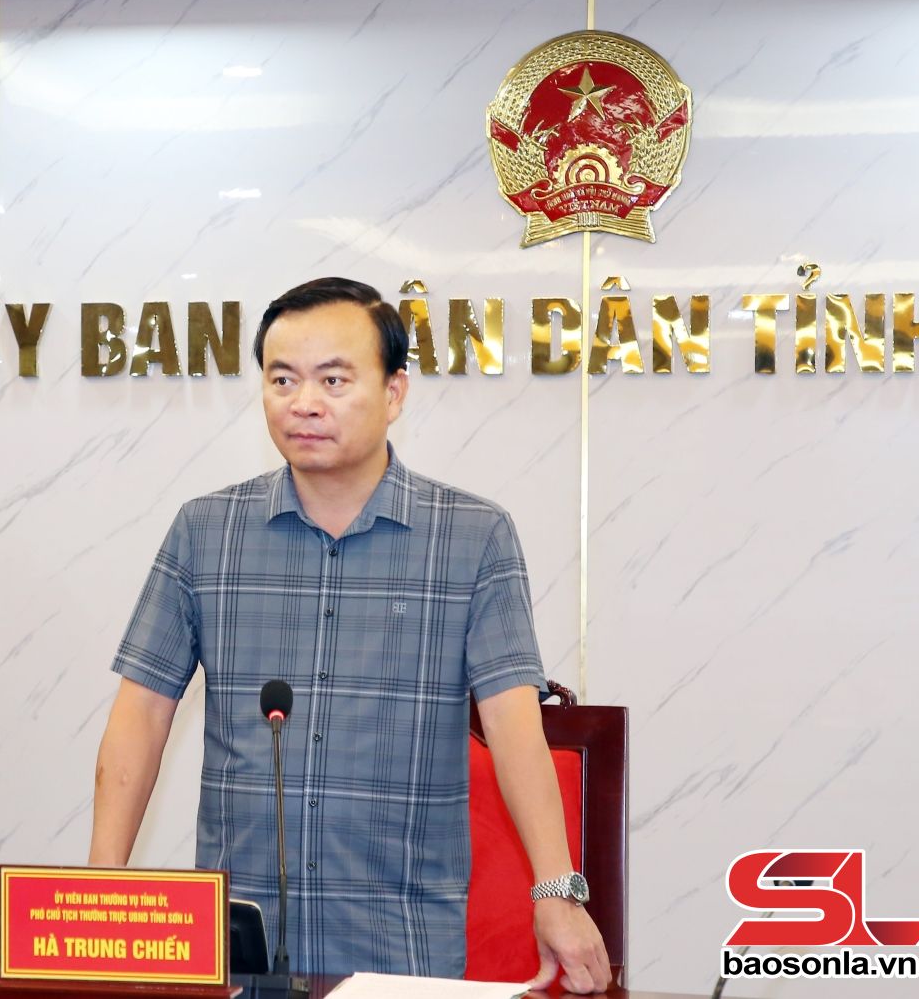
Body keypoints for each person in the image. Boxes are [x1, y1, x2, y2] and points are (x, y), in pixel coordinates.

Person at [89, 277, 610, 992]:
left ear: (394, 393)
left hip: (401, 941)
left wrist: (556, 891)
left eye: (333, 380)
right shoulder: (206, 532)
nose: (304, 402)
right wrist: (102, 894)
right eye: (282, 379)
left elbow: (513, 721)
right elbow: (142, 714)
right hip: (241, 942)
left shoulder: (472, 536)